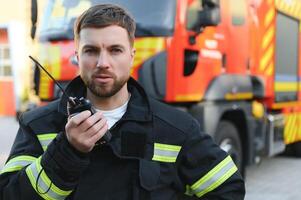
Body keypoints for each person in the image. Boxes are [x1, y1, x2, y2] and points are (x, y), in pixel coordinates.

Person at [0, 4, 245, 200]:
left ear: (131, 55)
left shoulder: (176, 127)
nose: (102, 62)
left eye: (115, 50)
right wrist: (67, 150)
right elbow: (10, 194)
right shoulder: (37, 125)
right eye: (91, 50)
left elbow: (228, 189)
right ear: (77, 56)